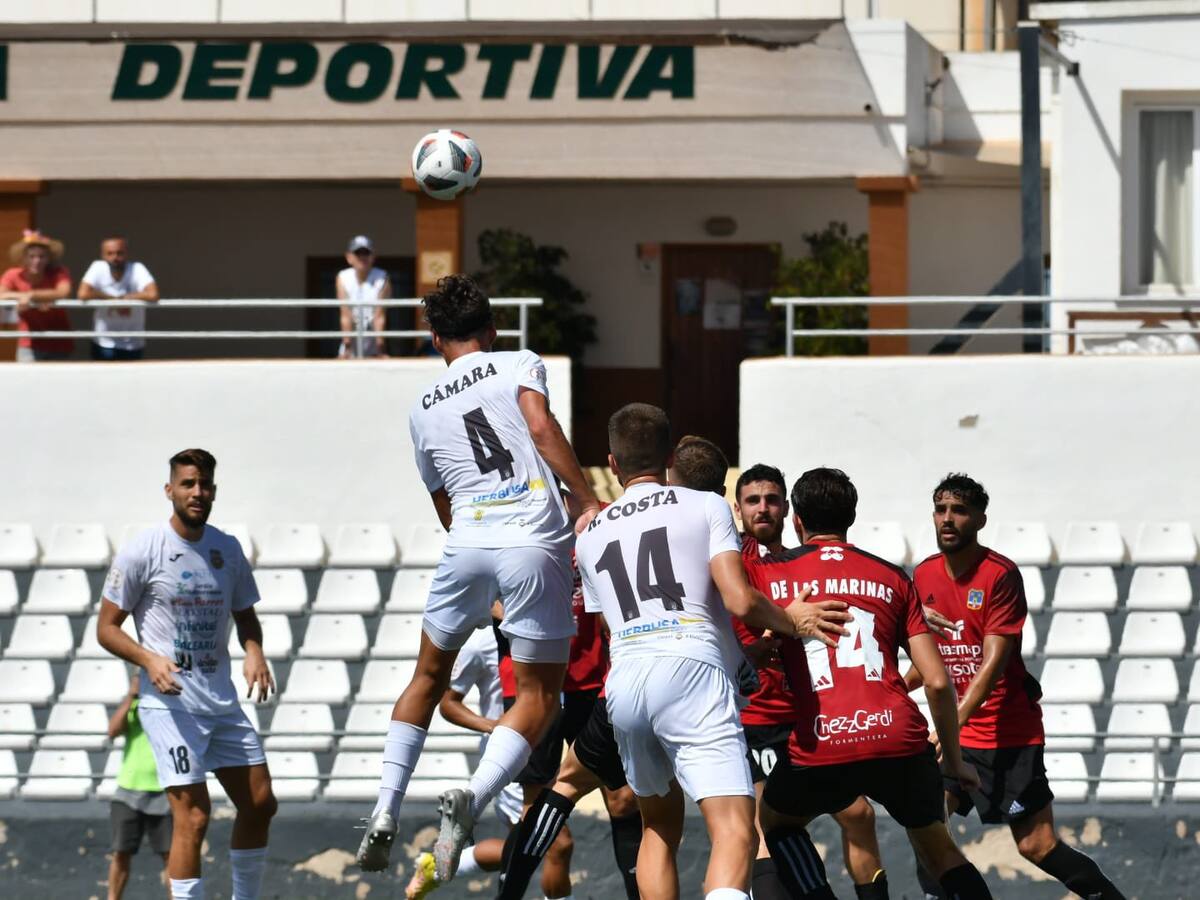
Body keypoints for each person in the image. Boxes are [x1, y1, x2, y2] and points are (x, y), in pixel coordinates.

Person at [356, 274, 601, 881]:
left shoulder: (421, 408)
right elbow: (540, 427)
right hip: (532, 542)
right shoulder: (517, 362)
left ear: (435, 338)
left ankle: (385, 807)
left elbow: (441, 498)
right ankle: (475, 796)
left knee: (426, 676)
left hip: (466, 540)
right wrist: (585, 495)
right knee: (539, 698)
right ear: (491, 329)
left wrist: (476, 543)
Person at [574, 403, 851, 900]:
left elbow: (609, 627)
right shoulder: (705, 505)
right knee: (736, 829)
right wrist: (792, 620)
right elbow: (739, 600)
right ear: (671, 456)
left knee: (658, 829)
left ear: (612, 464)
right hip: (691, 674)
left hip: (625, 682)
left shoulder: (591, 533)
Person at [745, 467, 993, 900]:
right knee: (938, 848)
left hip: (824, 738)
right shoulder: (893, 576)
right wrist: (954, 762)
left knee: (774, 823)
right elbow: (937, 682)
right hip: (897, 736)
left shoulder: (768, 574)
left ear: (796, 520)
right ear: (852, 518)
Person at [908, 474, 1125, 900]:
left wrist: (950, 722)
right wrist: (894, 687)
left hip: (1008, 735)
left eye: (959, 511)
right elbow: (932, 655)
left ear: (980, 520)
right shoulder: (924, 574)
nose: (947, 519)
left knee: (1036, 846)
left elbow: (993, 663)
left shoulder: (1000, 574)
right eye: (940, 509)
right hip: (958, 737)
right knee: (927, 822)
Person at [97, 448, 277, 900]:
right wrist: (148, 659)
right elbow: (106, 629)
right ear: (170, 490)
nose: (197, 492)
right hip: (170, 706)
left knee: (260, 803)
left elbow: (246, 616)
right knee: (193, 817)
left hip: (220, 702)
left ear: (214, 491)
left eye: (205, 484)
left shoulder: (227, 549)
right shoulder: (144, 550)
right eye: (188, 484)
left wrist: (254, 650)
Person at [731, 462, 888, 900]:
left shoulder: (801, 564)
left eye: (772, 500)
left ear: (788, 510)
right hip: (756, 719)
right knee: (764, 830)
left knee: (859, 815)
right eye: (752, 501)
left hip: (809, 716)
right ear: (738, 510)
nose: (763, 508)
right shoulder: (733, 568)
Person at [406, 613, 523, 898]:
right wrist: (494, 726)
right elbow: (448, 703)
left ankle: (435, 868)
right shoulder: (480, 642)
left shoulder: (545, 627)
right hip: (507, 754)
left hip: (547, 747)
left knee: (531, 844)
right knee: (553, 843)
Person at [107, 670, 172, 900]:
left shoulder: (171, 705)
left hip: (165, 792)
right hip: (128, 791)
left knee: (171, 857)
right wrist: (131, 696)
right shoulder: (132, 706)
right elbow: (112, 731)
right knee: (121, 853)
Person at [78, 236, 160, 360]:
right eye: (110, 253)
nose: (115, 257)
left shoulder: (137, 268)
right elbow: (82, 294)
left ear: (127, 253)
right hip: (103, 343)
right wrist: (109, 298)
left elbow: (153, 294)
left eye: (119, 253)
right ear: (102, 255)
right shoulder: (98, 267)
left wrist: (126, 298)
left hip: (133, 344)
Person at [0, 229, 73, 361]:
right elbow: (1, 294)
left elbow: (63, 292)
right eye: (31, 256)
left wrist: (31, 295)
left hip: (59, 341)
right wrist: (21, 296)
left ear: (49, 258)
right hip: (28, 342)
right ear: (24, 258)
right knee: (25, 374)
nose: (37, 261)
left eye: (41, 256)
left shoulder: (59, 272)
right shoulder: (13, 274)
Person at [337, 235, 391, 359]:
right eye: (358, 253)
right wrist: (347, 347)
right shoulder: (343, 277)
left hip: (373, 340)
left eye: (366, 253)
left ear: (373, 256)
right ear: (349, 257)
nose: (362, 257)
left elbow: (379, 316)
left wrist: (380, 348)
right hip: (350, 339)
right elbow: (345, 315)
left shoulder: (382, 277)